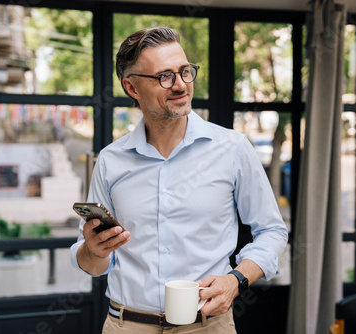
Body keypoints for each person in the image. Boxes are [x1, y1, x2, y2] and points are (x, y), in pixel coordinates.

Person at [70, 26, 288, 334]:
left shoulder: (233, 149)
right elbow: (95, 265)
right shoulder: (110, 161)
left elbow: (273, 231)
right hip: (126, 325)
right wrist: (93, 250)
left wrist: (235, 281)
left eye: (185, 71)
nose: (181, 85)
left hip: (208, 326)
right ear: (132, 88)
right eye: (164, 76)